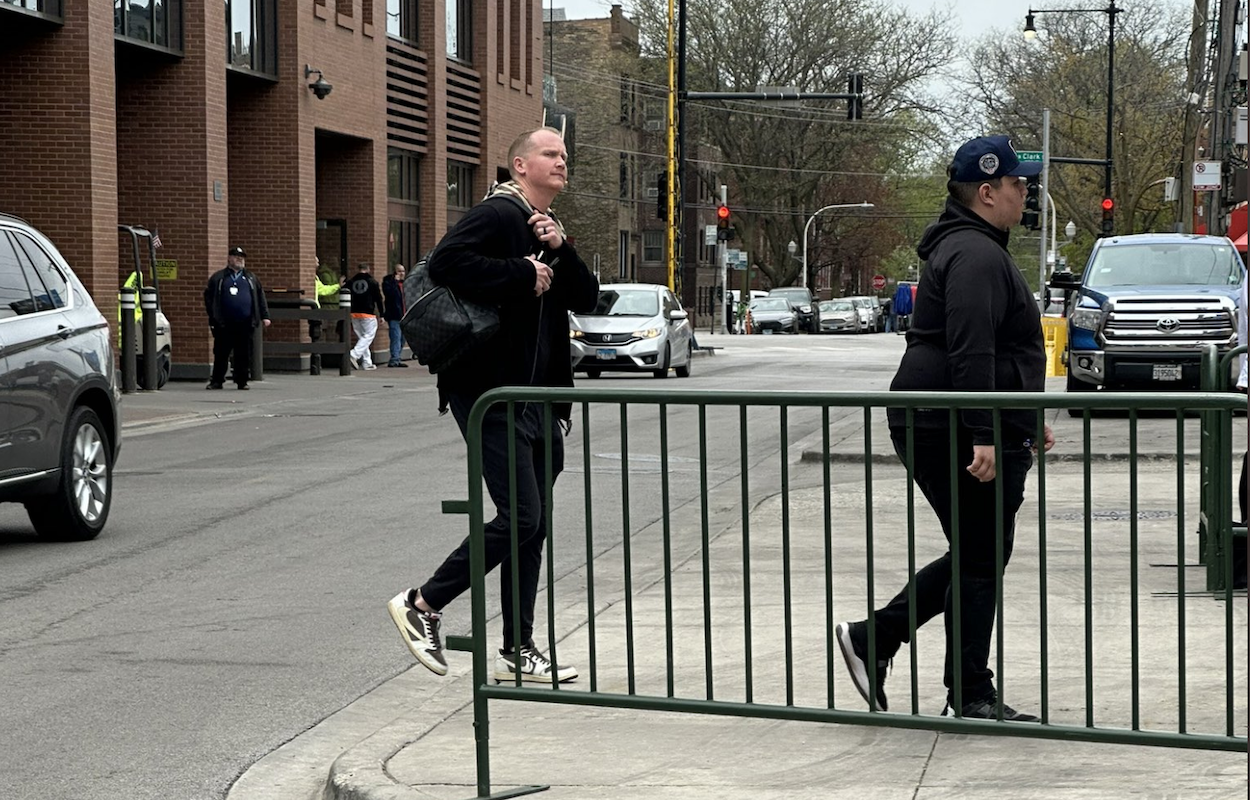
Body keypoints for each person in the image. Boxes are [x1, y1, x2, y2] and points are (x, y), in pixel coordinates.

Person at [835, 135, 1054, 721]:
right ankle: (968, 690)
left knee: (980, 552)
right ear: (986, 192)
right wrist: (984, 432)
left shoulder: (975, 247)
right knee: (981, 557)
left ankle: (878, 640)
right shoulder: (975, 254)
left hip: (950, 420)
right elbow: (971, 349)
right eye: (1017, 184)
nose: (1025, 193)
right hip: (949, 424)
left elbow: (1001, 350)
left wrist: (1027, 418)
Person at [387, 126, 599, 683]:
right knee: (521, 516)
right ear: (520, 165)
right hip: (490, 395)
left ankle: (517, 648)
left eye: (564, 155)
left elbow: (587, 297)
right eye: (550, 154)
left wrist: (560, 249)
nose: (562, 161)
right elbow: (447, 262)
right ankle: (422, 603)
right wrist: (522, 272)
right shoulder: (500, 213)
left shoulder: (545, 226)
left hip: (539, 401)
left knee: (533, 526)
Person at [203, 245, 270, 390]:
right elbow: (209, 298)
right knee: (221, 353)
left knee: (243, 353)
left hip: (245, 322)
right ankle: (217, 381)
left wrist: (265, 316)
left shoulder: (251, 278)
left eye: (241, 257)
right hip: (224, 323)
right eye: (236, 257)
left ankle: (242, 381)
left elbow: (260, 297)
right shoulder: (219, 278)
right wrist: (214, 316)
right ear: (229, 258)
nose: (239, 259)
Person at [310, 258, 345, 376]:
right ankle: (316, 362)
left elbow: (323, 290)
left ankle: (317, 361)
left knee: (317, 335)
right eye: (316, 262)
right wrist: (338, 286)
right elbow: (324, 291)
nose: (318, 264)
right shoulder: (317, 276)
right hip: (315, 310)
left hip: (317, 309)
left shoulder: (316, 277)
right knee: (317, 335)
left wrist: (337, 286)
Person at [347, 262, 384, 370]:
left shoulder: (351, 281)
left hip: (354, 313)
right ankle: (354, 354)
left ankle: (367, 362)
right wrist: (382, 314)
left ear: (358, 269)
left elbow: (343, 291)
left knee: (362, 338)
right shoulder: (372, 282)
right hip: (368, 313)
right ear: (368, 269)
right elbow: (378, 299)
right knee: (368, 335)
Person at [382, 264, 408, 368]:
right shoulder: (388, 283)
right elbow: (390, 294)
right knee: (396, 337)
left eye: (403, 271)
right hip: (395, 315)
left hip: (405, 316)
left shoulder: (406, 284)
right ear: (394, 272)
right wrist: (394, 282)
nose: (402, 274)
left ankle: (397, 357)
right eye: (399, 271)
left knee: (402, 339)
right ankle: (394, 359)